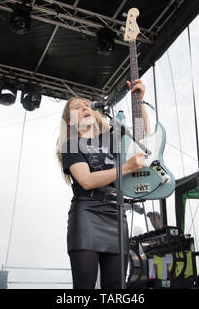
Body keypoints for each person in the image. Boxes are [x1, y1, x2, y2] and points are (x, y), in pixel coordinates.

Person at [56, 79, 149, 289]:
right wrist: (125, 168)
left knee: (116, 286)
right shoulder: (70, 145)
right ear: (70, 121)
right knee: (84, 287)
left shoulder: (112, 138)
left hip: (116, 215)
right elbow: (87, 181)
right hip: (87, 215)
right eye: (77, 108)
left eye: (86, 105)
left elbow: (142, 137)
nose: (85, 108)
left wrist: (139, 101)